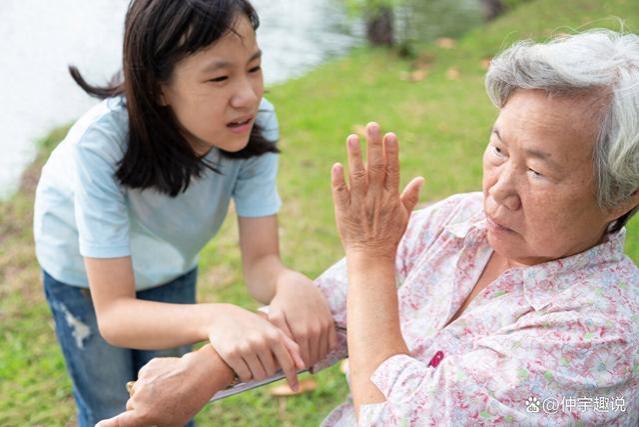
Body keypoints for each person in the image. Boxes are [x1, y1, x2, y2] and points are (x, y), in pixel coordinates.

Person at [98, 29, 639, 426]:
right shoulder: (463, 222)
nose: (498, 190)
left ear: (622, 197)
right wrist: (203, 371)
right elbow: (325, 316)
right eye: (499, 148)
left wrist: (370, 255)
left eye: (539, 171)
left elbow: (393, 419)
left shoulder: (604, 335)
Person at [33, 1, 336, 425]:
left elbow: (262, 263)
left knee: (176, 395)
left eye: (254, 67)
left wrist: (289, 282)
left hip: (170, 262)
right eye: (219, 77)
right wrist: (219, 315)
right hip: (82, 274)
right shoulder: (99, 145)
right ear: (157, 86)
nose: (248, 95)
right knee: (108, 406)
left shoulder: (255, 125)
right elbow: (116, 313)